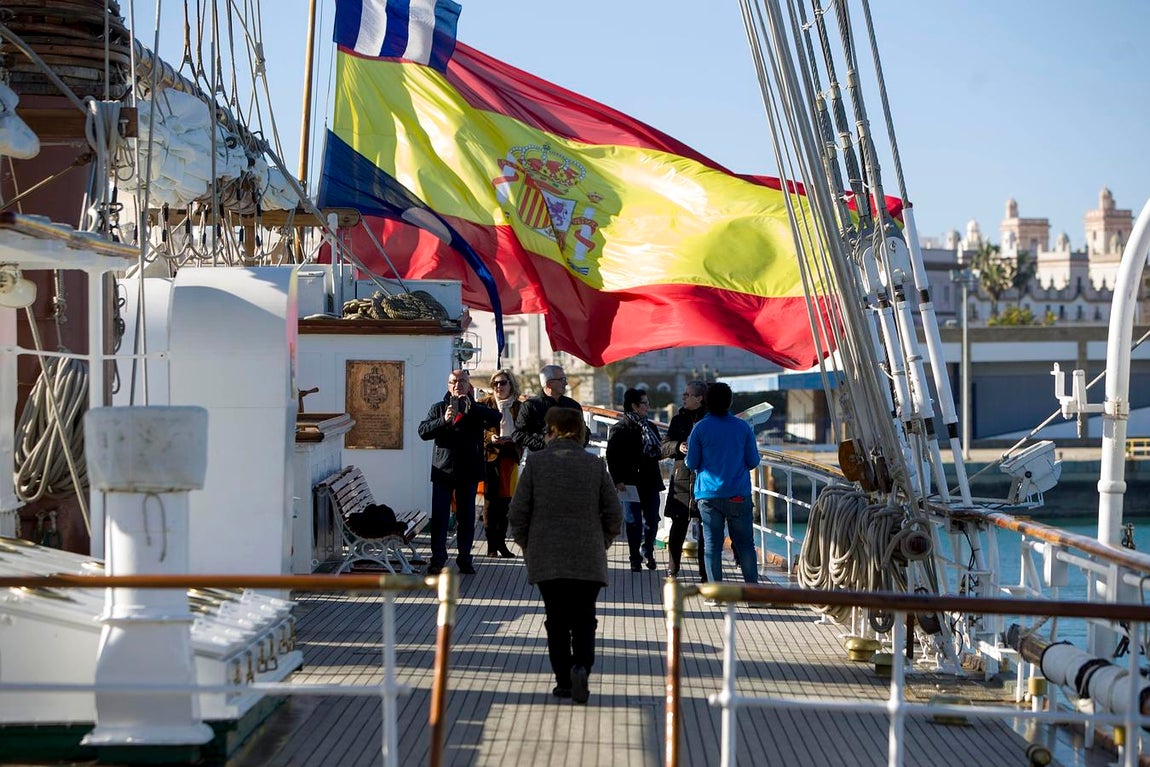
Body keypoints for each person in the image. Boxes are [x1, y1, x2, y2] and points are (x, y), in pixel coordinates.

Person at [509, 406, 622, 705]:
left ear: (552, 431)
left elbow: (517, 513)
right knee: (585, 619)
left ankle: (563, 682)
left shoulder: (536, 464)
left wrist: (529, 545)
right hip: (588, 555)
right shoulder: (595, 465)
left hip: (548, 557)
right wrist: (603, 541)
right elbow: (614, 513)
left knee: (556, 621)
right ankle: (581, 667)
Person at [418, 369, 501, 575]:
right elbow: (423, 432)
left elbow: (496, 417)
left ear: (468, 384)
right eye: (454, 381)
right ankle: (438, 559)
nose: (458, 385)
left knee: (466, 517)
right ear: (448, 385)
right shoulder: (438, 408)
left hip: (468, 470)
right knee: (440, 517)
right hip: (443, 471)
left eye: (462, 381)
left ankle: (465, 558)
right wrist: (444, 420)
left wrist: (472, 408)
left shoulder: (476, 408)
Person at [685, 381, 760, 585]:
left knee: (712, 545)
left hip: (708, 495)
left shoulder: (699, 429)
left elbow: (691, 463)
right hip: (738, 494)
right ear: (730, 402)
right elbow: (753, 461)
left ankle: (715, 593)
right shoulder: (743, 427)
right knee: (745, 545)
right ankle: (753, 592)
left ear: (706, 401)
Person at [606, 388, 665, 573]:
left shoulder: (651, 427)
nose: (648, 406)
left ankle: (648, 549)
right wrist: (617, 480)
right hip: (629, 482)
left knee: (653, 519)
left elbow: (658, 451)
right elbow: (612, 456)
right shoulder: (620, 428)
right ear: (634, 406)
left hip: (650, 480)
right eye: (645, 403)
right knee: (633, 521)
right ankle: (634, 558)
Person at [661, 380, 708, 580]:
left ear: (699, 398)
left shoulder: (710, 419)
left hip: (704, 479)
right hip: (681, 478)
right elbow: (664, 447)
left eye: (687, 395)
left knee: (706, 527)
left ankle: (705, 572)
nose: (683, 398)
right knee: (678, 526)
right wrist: (677, 446)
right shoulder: (678, 419)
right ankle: (673, 568)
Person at [477, 368, 522, 557]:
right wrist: (490, 437)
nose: (498, 387)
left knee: (505, 503)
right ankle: (491, 546)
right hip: (489, 457)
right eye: (495, 383)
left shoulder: (519, 407)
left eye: (503, 383)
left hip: (509, 457)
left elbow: (523, 431)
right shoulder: (484, 404)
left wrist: (513, 439)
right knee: (489, 503)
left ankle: (502, 543)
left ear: (511, 385)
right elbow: (477, 430)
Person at [513, 364, 582, 455]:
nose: (566, 383)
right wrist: (545, 443)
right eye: (562, 380)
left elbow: (585, 432)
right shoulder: (530, 406)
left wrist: (575, 446)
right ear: (549, 383)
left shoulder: (573, 406)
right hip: (540, 459)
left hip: (569, 458)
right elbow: (518, 435)